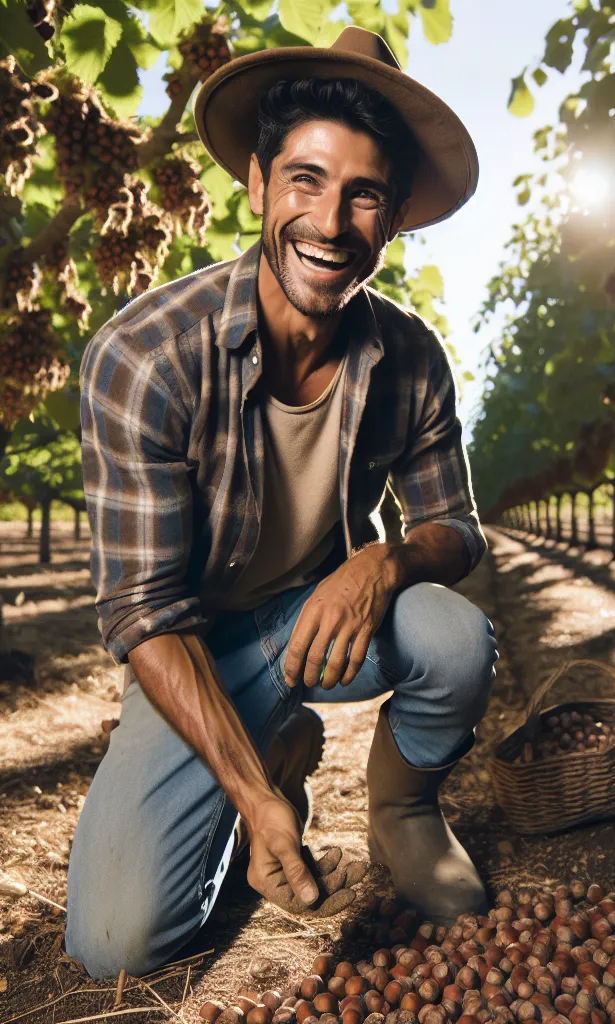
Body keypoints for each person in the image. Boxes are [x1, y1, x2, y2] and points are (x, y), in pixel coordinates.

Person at [65, 26, 498, 979]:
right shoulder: (145, 357)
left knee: (457, 640)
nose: (330, 221)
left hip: (324, 618)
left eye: (364, 195)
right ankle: (274, 759)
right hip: (198, 646)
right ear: (257, 185)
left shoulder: (412, 358)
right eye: (305, 180)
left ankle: (406, 813)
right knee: (116, 946)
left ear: (394, 222)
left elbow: (452, 528)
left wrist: (380, 564)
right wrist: (257, 800)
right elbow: (144, 612)